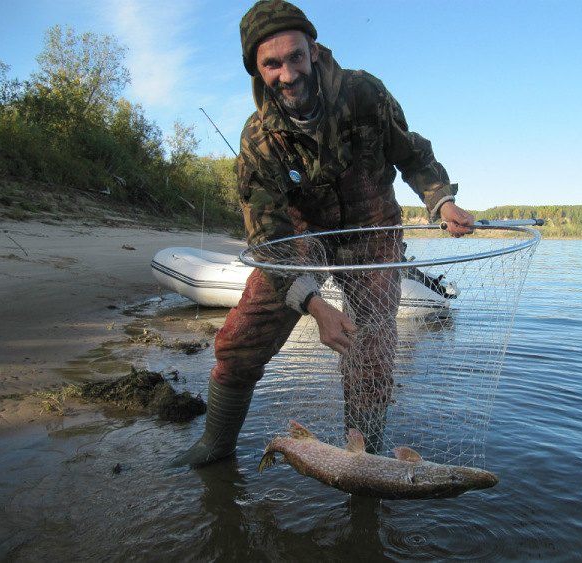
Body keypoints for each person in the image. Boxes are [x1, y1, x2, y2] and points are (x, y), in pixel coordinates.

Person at [173, 0, 474, 467]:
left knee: (371, 350)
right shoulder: (258, 140)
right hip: (299, 237)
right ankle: (216, 445)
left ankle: (367, 460)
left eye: (295, 56)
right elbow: (266, 239)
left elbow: (412, 153)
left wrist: (441, 200)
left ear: (313, 49)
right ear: (257, 68)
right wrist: (315, 306)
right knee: (243, 336)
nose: (288, 74)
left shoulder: (365, 93)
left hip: (372, 230)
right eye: (272, 63)